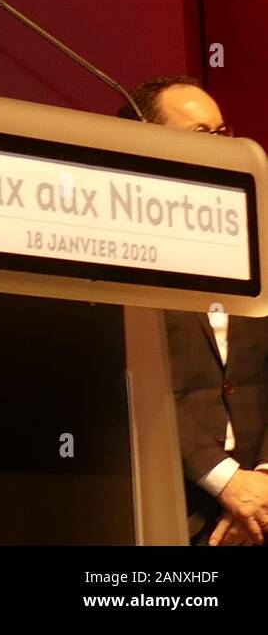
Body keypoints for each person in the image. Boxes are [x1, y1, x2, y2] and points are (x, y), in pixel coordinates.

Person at [121, 76, 268, 546]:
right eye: (204, 135)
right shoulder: (115, 245)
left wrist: (262, 482)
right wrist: (226, 481)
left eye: (224, 133)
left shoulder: (255, 235)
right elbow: (132, 382)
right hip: (168, 505)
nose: (223, 147)